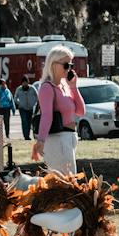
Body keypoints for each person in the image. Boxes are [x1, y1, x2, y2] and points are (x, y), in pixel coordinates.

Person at [31, 46, 84, 175]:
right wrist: (41, 141)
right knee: (64, 182)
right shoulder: (47, 88)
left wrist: (73, 88)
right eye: (66, 65)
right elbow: (46, 116)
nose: (69, 69)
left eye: (71, 65)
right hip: (57, 139)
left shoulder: (64, 86)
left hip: (69, 138)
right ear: (54, 65)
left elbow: (80, 111)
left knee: (69, 181)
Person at [16, 77, 37, 143]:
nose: (25, 84)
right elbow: (15, 98)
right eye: (23, 82)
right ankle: (26, 136)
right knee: (24, 121)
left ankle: (27, 135)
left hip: (30, 108)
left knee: (29, 122)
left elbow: (37, 96)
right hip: (22, 108)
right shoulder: (19, 89)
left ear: (28, 82)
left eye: (26, 82)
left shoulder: (32, 88)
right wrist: (19, 103)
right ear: (21, 83)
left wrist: (34, 103)